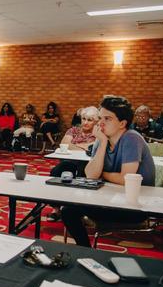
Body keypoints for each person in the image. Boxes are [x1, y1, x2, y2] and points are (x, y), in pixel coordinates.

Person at [62, 96, 155, 247]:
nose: (100, 123)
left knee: (75, 206)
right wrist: (103, 142)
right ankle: (85, 249)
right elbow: (91, 174)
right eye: (100, 118)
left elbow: (126, 179)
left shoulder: (131, 138)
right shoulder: (102, 138)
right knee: (68, 209)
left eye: (107, 118)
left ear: (122, 123)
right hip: (112, 199)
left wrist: (103, 174)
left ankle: (86, 250)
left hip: (135, 206)